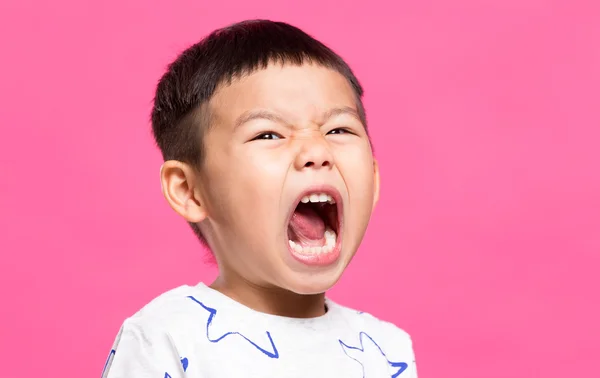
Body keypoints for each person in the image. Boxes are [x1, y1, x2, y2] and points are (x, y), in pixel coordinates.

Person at [102, 19, 417, 378]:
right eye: (268, 134)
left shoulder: (386, 350)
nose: (317, 150)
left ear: (374, 180)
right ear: (189, 191)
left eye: (338, 129)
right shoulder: (166, 338)